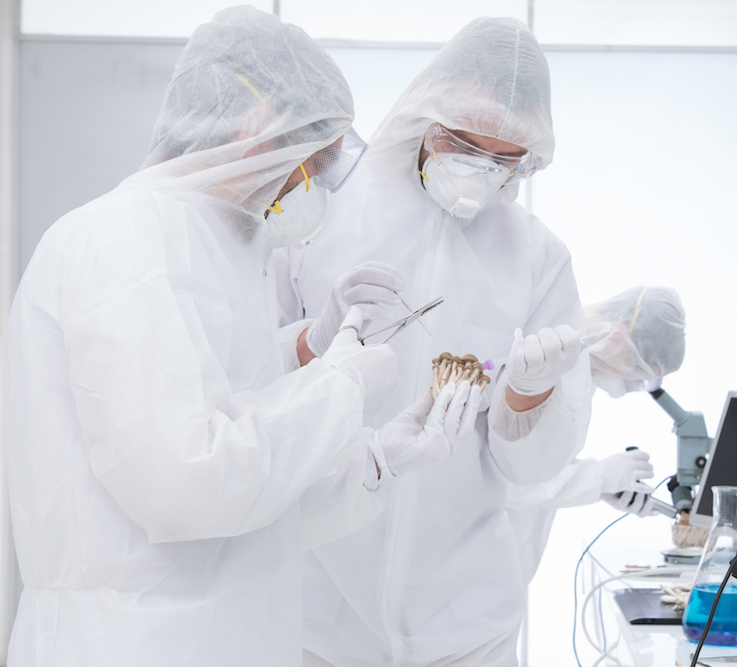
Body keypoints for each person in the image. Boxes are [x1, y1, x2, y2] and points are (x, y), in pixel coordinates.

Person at [1, 7, 479, 667]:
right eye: (310, 165)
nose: (307, 189)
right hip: (133, 645)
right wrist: (340, 386)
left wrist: (376, 455)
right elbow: (189, 484)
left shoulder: (216, 245)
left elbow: (255, 497)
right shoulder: (124, 240)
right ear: (257, 128)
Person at [273, 17, 594, 667]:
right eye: (463, 146)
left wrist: (530, 396)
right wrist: (313, 340)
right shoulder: (324, 212)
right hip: (316, 610)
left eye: (503, 161)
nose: (479, 172)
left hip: (465, 623)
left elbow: (532, 469)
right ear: (428, 118)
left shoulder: (536, 257)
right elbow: (248, 382)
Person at [506, 286, 687, 585]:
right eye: (637, 372)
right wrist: (598, 477)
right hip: (474, 568)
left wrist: (602, 489)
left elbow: (544, 466)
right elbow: (508, 481)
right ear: (617, 338)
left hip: (508, 567)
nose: (630, 385)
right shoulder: (543, 359)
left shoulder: (583, 372)